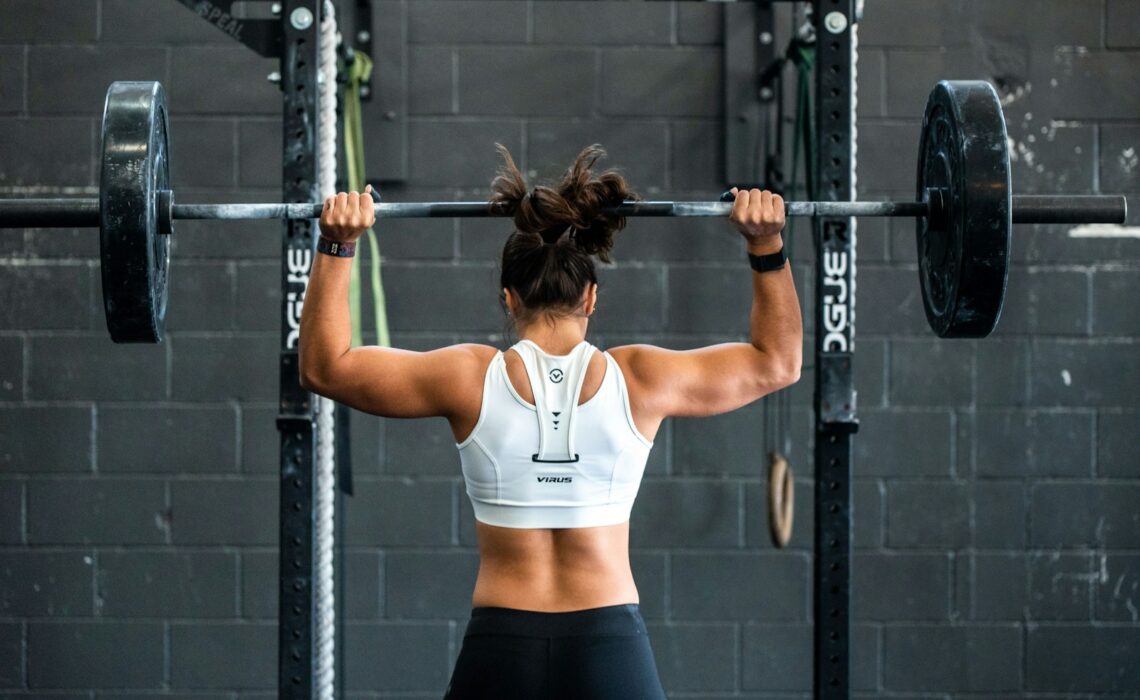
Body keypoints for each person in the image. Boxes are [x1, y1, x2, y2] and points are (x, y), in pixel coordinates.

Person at [299, 144, 802, 699]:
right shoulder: (639, 379)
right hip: (609, 644)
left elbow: (326, 368)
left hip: (501, 645)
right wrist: (766, 244)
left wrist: (337, 244)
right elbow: (776, 362)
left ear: (507, 298)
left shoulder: (468, 377)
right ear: (591, 297)